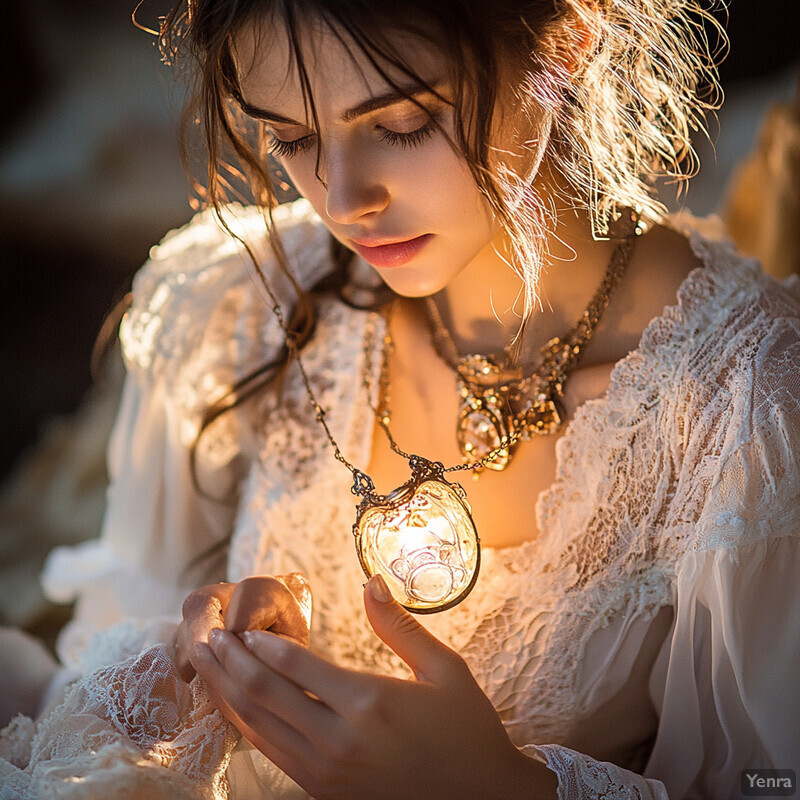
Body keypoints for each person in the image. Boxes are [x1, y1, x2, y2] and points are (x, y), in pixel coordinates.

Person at [2, 0, 799, 798]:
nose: (344, 199)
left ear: (568, 42)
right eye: (295, 138)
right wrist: (195, 666)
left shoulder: (746, 410)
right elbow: (99, 661)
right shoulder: (239, 309)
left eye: (402, 123)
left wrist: (501, 787)